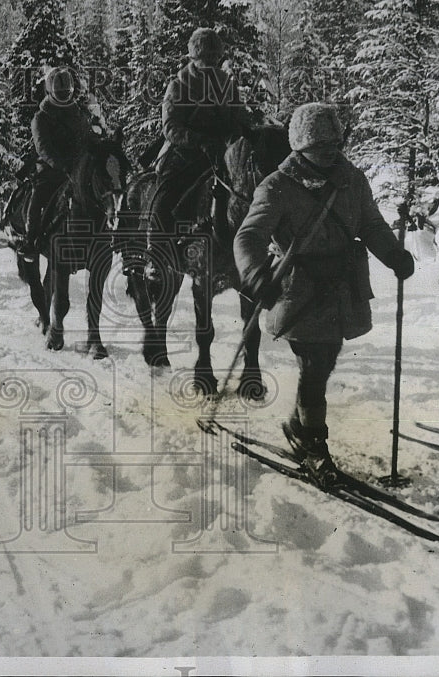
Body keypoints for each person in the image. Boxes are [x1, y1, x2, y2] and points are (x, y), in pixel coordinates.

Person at [234, 103, 415, 487]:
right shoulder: (277, 186)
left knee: (325, 360)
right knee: (314, 366)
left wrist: (394, 255)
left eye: (334, 144)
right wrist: (254, 275)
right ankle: (313, 445)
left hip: (342, 286)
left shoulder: (351, 179)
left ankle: (300, 424)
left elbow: (371, 224)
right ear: (300, 148)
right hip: (299, 289)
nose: (329, 152)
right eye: (320, 147)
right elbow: (249, 235)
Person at [142, 27, 246, 279]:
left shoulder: (226, 84)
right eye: (205, 62)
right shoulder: (179, 85)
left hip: (222, 152)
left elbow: (238, 116)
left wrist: (241, 132)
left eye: (213, 62)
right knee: (164, 197)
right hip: (185, 152)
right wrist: (198, 140)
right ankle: (156, 255)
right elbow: (170, 127)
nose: (209, 67)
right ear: (194, 60)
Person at [18, 67, 93, 262]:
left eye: (66, 93)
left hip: (78, 168)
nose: (63, 97)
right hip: (50, 170)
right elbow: (43, 148)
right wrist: (62, 165)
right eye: (60, 94)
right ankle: (31, 239)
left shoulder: (78, 114)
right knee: (38, 197)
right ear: (50, 92)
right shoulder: (41, 118)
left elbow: (86, 138)